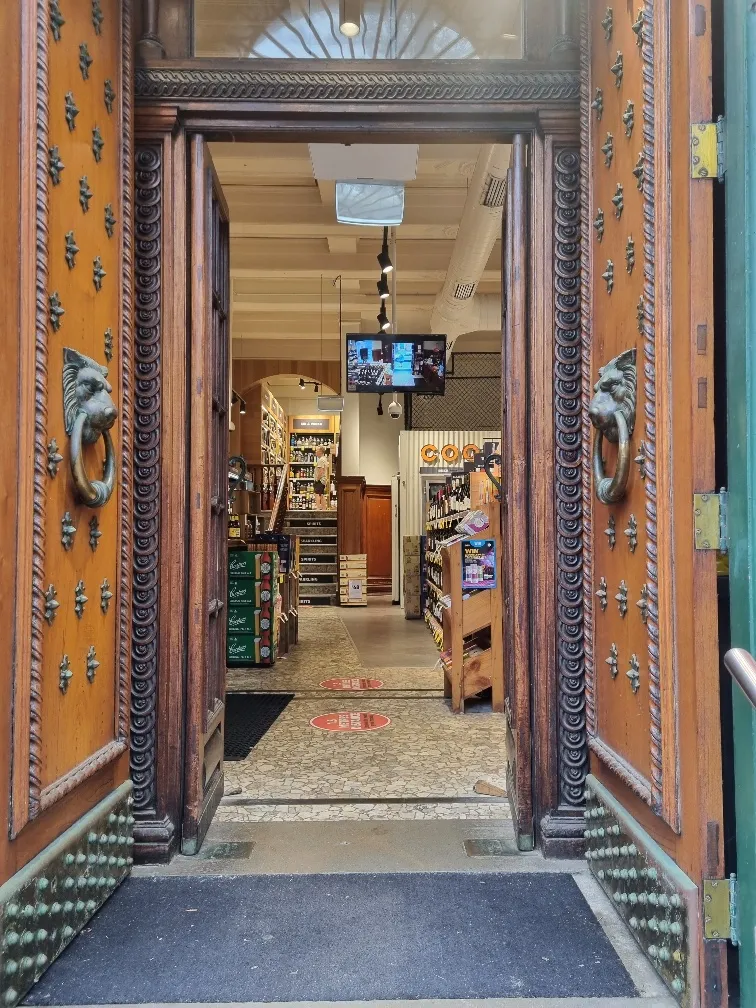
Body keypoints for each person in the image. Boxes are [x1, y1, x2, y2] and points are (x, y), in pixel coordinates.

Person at [313, 446, 330, 510]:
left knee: (317, 494)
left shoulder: (321, 460)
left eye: (316, 450)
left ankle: (318, 509)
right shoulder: (324, 459)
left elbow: (321, 471)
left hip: (320, 480)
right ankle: (324, 509)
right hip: (323, 480)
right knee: (322, 495)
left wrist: (317, 479)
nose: (315, 452)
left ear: (320, 451)